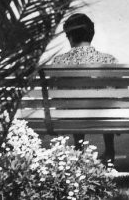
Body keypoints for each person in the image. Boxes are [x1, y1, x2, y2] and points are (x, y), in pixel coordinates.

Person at [47, 13, 117, 164]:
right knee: (107, 101)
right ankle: (110, 150)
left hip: (71, 115)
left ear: (70, 37)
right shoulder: (109, 60)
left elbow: (54, 90)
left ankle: (79, 149)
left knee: (72, 103)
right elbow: (118, 90)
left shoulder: (59, 61)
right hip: (104, 115)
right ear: (91, 35)